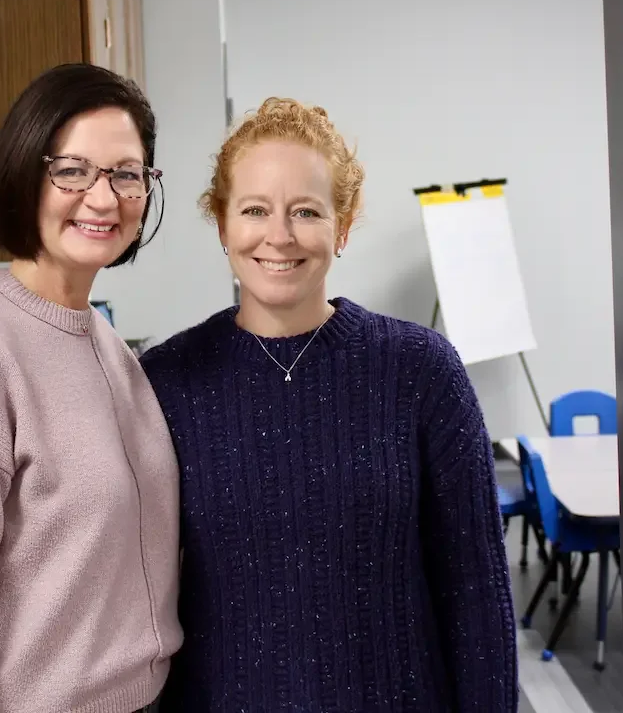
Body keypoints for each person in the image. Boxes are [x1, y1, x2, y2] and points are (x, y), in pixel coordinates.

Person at [140, 98, 518, 711]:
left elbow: (476, 592)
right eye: (255, 209)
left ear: (341, 226)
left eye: (306, 211)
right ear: (222, 225)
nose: (279, 235)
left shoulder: (420, 370)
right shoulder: (166, 381)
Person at [0, 63, 183, 713]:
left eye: (126, 173)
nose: (103, 198)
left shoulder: (101, 340)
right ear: (24, 172)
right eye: (71, 170)